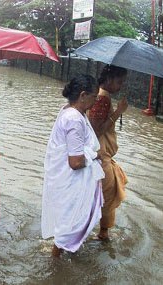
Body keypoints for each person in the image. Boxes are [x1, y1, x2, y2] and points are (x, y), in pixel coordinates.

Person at [41, 75, 105, 257]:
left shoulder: (70, 111)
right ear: (83, 95)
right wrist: (95, 155)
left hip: (68, 180)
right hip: (71, 181)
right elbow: (75, 162)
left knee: (68, 220)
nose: (95, 102)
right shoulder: (74, 119)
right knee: (69, 223)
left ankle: (62, 252)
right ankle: (55, 263)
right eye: (95, 97)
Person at [88, 65, 128, 241]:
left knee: (103, 194)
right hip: (101, 154)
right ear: (109, 79)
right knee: (108, 194)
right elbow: (97, 130)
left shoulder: (97, 94)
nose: (120, 86)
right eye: (119, 82)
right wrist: (118, 112)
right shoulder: (103, 98)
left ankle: (102, 232)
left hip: (99, 153)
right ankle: (102, 233)